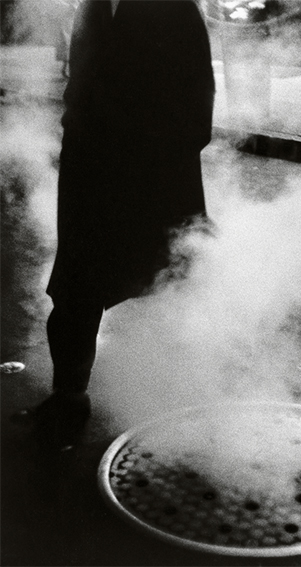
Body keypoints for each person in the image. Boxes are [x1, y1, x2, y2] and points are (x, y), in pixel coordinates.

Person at [21, 0, 215, 450]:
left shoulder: (174, 7)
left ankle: (187, 388)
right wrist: (73, 130)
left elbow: (196, 102)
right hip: (90, 173)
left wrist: (155, 161)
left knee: (164, 277)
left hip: (143, 174)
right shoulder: (93, 4)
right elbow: (82, 78)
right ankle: (69, 397)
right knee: (75, 290)